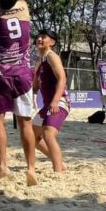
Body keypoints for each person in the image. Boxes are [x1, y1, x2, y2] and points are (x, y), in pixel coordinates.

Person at [0, 0, 37, 186]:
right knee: (25, 122)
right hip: (23, 74)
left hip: (1, 74)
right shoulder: (24, 7)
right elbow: (15, 0)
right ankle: (31, 169)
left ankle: (2, 167)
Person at [32, 30, 69, 172]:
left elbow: (62, 79)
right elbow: (34, 86)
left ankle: (58, 171)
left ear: (52, 42)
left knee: (48, 134)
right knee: (32, 135)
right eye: (38, 36)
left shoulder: (52, 56)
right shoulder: (38, 61)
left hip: (60, 101)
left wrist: (55, 101)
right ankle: (59, 162)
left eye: (43, 37)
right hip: (47, 105)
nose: (39, 39)